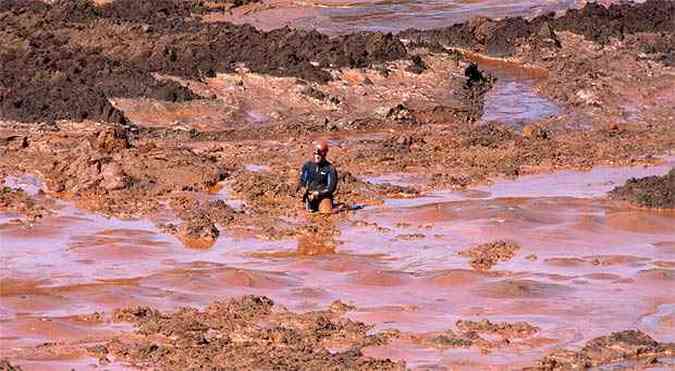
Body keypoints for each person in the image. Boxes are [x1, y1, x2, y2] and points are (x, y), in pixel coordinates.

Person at [297, 141, 338, 213]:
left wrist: (318, 193)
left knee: (326, 213)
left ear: (324, 155)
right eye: (315, 154)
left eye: (319, 154)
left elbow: (331, 188)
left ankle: (339, 208)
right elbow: (302, 181)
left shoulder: (330, 169)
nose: (316, 156)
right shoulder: (307, 166)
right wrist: (303, 189)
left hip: (323, 197)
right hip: (310, 196)